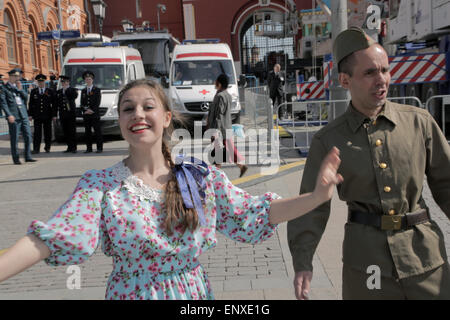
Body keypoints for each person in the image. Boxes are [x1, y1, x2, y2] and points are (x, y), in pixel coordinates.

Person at [0, 79, 343, 300]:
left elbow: (253, 213)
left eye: (148, 106)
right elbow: (49, 240)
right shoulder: (100, 186)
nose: (138, 114)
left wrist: (316, 197)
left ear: (166, 118)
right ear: (120, 122)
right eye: (127, 109)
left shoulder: (195, 176)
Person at [287, 26, 450, 300]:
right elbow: (310, 205)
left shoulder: (419, 122)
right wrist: (303, 262)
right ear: (344, 80)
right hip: (367, 264)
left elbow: (447, 184)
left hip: (425, 259)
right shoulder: (328, 140)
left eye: (385, 70)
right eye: (370, 73)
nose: (381, 80)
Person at [207, 74, 248, 177]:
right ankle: (240, 166)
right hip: (226, 126)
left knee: (218, 150)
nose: (214, 83)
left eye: (216, 81)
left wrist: (215, 130)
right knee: (227, 149)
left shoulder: (220, 96)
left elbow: (219, 114)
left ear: (219, 84)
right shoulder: (226, 94)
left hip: (220, 128)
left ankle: (216, 174)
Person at [2, 69, 36, 165]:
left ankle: (28, 156)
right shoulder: (4, 88)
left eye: (18, 77)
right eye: (16, 77)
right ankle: (16, 158)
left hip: (23, 115)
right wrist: (9, 115)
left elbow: (25, 98)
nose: (18, 78)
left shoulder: (18, 87)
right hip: (14, 116)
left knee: (28, 136)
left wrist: (20, 89)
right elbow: (3, 103)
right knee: (15, 138)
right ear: (11, 76)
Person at [28, 74, 57, 154]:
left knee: (47, 132)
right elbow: (30, 104)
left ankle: (47, 147)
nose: (41, 83)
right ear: (37, 82)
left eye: (42, 81)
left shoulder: (50, 91)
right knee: (37, 133)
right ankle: (36, 149)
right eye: (39, 82)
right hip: (37, 116)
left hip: (47, 115)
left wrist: (54, 115)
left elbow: (54, 104)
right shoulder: (34, 91)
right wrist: (30, 114)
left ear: (45, 82)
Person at [80, 70, 103, 153]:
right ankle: (89, 148)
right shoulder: (83, 91)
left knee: (97, 132)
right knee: (87, 132)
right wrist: (85, 110)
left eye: (89, 79)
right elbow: (82, 103)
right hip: (86, 115)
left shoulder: (97, 90)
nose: (88, 80)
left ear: (92, 80)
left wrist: (91, 110)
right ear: (85, 80)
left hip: (94, 115)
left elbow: (97, 102)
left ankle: (99, 148)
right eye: (86, 79)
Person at [56, 75, 78, 153]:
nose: (63, 83)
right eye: (62, 82)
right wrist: (55, 114)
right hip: (63, 114)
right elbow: (57, 104)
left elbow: (74, 96)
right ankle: (69, 147)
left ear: (68, 82)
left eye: (65, 82)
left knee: (72, 131)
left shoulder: (72, 90)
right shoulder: (59, 92)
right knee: (66, 131)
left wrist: (66, 90)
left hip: (71, 114)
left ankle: (74, 147)